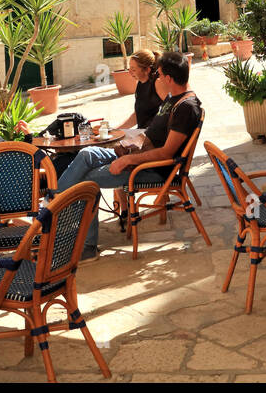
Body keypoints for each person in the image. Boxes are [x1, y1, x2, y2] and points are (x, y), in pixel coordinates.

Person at [57, 52, 201, 260]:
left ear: (169, 79)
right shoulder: (173, 100)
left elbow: (167, 152)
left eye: (159, 75)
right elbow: (154, 136)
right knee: (88, 153)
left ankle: (85, 245)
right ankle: (56, 200)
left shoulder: (185, 108)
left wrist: (129, 159)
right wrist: (130, 149)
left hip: (154, 170)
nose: (157, 79)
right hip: (141, 156)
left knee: (84, 183)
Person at [116, 48, 162, 131]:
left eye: (133, 69)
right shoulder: (140, 84)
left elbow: (170, 111)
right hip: (141, 133)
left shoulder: (157, 84)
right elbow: (137, 115)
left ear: (147, 70)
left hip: (154, 136)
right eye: (130, 68)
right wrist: (115, 130)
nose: (130, 72)